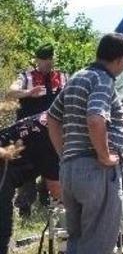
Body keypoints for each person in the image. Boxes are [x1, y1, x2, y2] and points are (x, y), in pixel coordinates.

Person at [46, 33, 123, 254]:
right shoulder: (102, 79)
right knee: (98, 244)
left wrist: (64, 154)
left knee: (77, 241)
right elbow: (95, 118)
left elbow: (52, 118)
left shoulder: (77, 77)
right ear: (121, 59)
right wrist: (105, 156)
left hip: (70, 172)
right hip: (96, 170)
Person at [5, 44, 67, 217]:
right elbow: (10, 93)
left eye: (50, 59)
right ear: (37, 60)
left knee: (55, 168)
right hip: (28, 134)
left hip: (53, 133)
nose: (48, 63)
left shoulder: (62, 77)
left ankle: (49, 202)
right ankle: (24, 208)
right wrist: (28, 93)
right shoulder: (26, 77)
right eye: (44, 60)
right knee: (28, 170)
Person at [0, 112, 62, 254]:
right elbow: (55, 189)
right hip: (3, 164)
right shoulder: (48, 138)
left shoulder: (51, 116)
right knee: (2, 225)